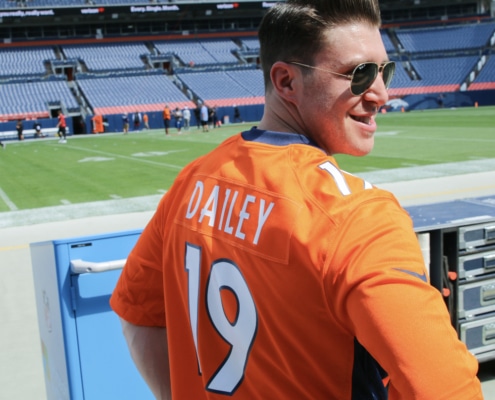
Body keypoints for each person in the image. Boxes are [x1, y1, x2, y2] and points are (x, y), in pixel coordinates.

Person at [110, 1, 483, 399]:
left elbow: (139, 318)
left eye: (383, 71)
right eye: (358, 74)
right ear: (287, 81)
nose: (381, 94)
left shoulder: (193, 180)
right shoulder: (357, 217)